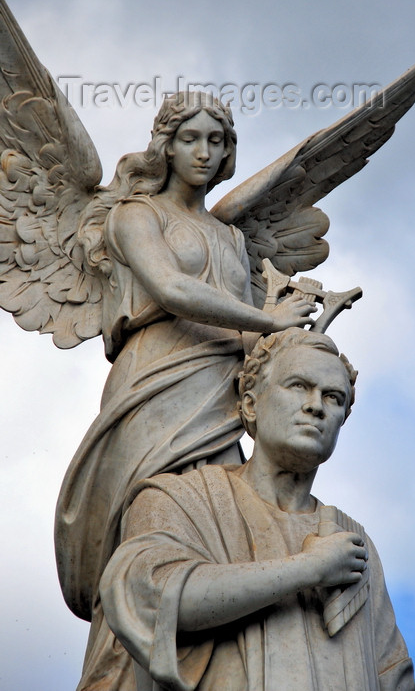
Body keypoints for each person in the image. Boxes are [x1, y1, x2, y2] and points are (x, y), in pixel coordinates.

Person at [54, 94, 316, 690]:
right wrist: (265, 321)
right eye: (192, 139)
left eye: (218, 142)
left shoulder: (229, 237)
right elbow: (171, 287)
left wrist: (292, 335)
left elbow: (247, 334)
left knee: (216, 530)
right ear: (165, 146)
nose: (205, 152)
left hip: (223, 395)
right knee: (145, 531)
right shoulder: (134, 215)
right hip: (153, 383)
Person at [100, 328, 415, 690]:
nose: (316, 406)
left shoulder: (355, 542)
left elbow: (392, 674)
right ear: (251, 404)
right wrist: (310, 568)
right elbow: (150, 599)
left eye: (333, 397)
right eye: (298, 386)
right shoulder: (179, 498)